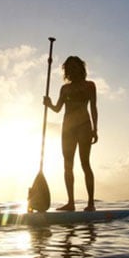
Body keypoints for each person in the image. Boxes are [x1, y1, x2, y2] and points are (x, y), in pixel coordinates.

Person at [43, 56, 98, 211]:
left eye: (75, 67)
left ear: (81, 68)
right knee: (68, 166)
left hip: (84, 126)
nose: (72, 70)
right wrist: (49, 104)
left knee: (85, 163)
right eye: (69, 67)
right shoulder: (64, 88)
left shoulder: (90, 86)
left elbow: (93, 107)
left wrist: (95, 128)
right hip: (67, 129)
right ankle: (71, 203)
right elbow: (58, 108)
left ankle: (91, 203)